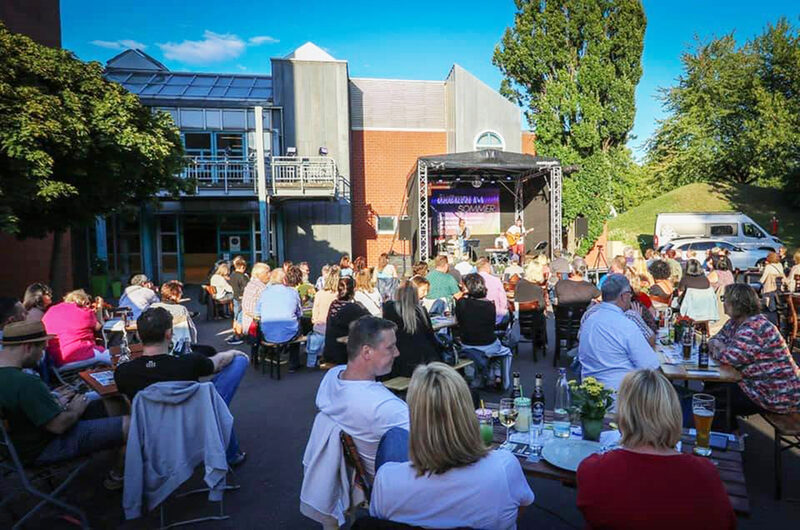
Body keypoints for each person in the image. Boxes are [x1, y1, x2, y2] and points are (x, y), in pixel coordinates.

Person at [370, 362, 534, 528]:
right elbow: (519, 509)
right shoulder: (504, 467)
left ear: (414, 415)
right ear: (467, 410)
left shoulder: (386, 480)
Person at [577, 369, 735, 530]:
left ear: (623, 414)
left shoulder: (593, 470)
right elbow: (725, 522)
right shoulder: (705, 473)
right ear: (673, 413)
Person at [0, 320, 129, 488]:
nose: (42, 355)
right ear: (28, 347)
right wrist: (74, 410)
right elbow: (58, 425)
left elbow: (25, 409)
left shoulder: (10, 377)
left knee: (111, 401)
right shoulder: (25, 382)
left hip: (15, 446)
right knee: (133, 424)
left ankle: (115, 449)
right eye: (42, 349)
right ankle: (117, 477)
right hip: (43, 448)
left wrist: (53, 401)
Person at [114, 307, 248, 466]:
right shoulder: (189, 363)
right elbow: (218, 362)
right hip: (192, 423)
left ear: (138, 336)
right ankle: (229, 452)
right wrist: (233, 352)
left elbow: (128, 405)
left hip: (151, 431)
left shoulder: (123, 372)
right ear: (169, 334)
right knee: (238, 363)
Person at [311, 316, 409, 480]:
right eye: (390, 347)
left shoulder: (332, 378)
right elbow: (433, 449)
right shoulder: (386, 407)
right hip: (393, 483)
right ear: (367, 352)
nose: (397, 353)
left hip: (365, 478)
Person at [708, 284, 800, 419]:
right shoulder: (734, 323)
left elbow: (729, 358)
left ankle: (727, 435)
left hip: (778, 394)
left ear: (737, 303)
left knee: (715, 399)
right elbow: (713, 340)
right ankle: (729, 431)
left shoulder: (755, 326)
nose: (723, 303)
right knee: (714, 388)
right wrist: (717, 344)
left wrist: (719, 347)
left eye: (725, 299)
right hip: (760, 386)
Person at [578, 275, 659, 396]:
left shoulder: (589, 320)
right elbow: (651, 366)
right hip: (622, 398)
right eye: (630, 294)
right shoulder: (626, 324)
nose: (631, 297)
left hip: (590, 396)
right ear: (624, 296)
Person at [383, 281, 441, 378]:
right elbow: (431, 336)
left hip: (402, 361)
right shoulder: (421, 311)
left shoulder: (390, 309)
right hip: (426, 359)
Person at [42, 289, 111, 368]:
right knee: (112, 356)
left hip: (54, 360)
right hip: (78, 354)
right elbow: (98, 326)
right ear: (83, 302)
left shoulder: (52, 310)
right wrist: (99, 308)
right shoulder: (85, 311)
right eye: (88, 303)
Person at [323, 278, 370, 365]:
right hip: (344, 353)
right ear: (353, 290)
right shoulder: (353, 308)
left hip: (330, 349)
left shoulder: (334, 304)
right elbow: (370, 320)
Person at [150, 281, 199, 355]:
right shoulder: (181, 309)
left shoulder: (153, 307)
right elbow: (191, 330)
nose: (182, 294)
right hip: (176, 347)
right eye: (180, 293)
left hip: (155, 346)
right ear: (173, 295)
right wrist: (193, 343)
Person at [256, 268, 303, 344]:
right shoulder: (293, 292)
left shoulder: (264, 293)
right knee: (299, 323)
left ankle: (269, 353)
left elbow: (257, 313)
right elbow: (299, 313)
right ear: (284, 279)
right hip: (290, 334)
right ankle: (294, 355)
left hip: (267, 334)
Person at [476, 257, 509, 325]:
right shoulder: (496, 280)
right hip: (495, 316)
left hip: (476, 317)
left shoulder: (472, 280)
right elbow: (503, 301)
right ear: (487, 267)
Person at [241, 262, 270, 334]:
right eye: (267, 273)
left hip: (247, 322)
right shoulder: (261, 287)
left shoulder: (251, 283)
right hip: (255, 325)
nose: (269, 275)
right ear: (259, 274)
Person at [312, 265, 341, 335]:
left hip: (319, 329)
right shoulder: (339, 295)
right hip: (335, 331)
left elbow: (314, 318)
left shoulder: (319, 294)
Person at [227, 256, 249, 345]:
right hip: (241, 298)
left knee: (235, 317)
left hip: (235, 298)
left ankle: (235, 333)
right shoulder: (243, 277)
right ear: (243, 267)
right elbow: (246, 288)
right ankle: (238, 336)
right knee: (240, 317)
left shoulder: (232, 275)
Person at [759, 251, 786, 323]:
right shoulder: (780, 265)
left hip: (769, 289)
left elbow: (762, 279)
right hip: (779, 288)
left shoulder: (768, 267)